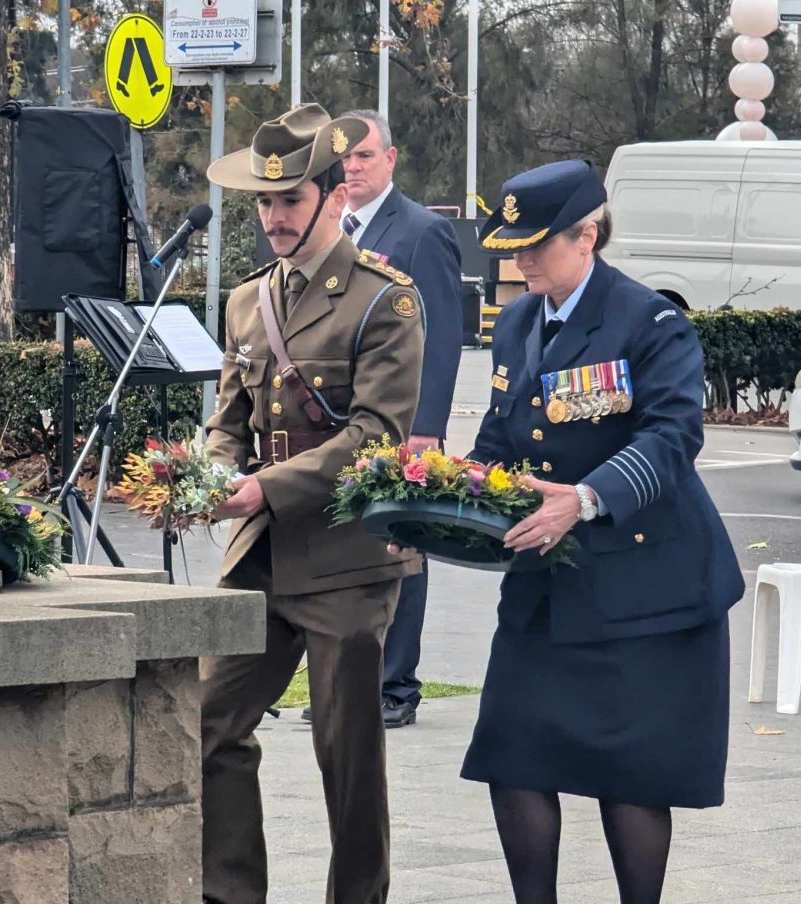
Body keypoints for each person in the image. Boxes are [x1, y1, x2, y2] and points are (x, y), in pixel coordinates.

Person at [455, 160, 745, 903]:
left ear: (588, 234)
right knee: (513, 758)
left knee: (631, 781)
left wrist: (583, 498)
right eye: (511, 246)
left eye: (535, 245)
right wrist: (438, 500)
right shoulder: (519, 320)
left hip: (645, 589)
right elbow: (500, 436)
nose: (518, 261)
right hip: (548, 588)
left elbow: (674, 438)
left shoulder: (649, 321)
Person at [201, 104, 426, 904]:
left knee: (348, 755)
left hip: (347, 560)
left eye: (288, 201)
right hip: (259, 558)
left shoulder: (383, 299)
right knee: (209, 722)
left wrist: (267, 485)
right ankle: (229, 894)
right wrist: (202, 478)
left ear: (333, 196)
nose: (272, 219)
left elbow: (376, 433)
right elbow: (229, 423)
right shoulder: (245, 300)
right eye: (263, 204)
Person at [337, 107, 463, 729]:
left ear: (390, 159)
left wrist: (427, 424)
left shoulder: (419, 230)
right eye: (344, 157)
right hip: (341, 423)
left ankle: (395, 687)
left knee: (402, 547)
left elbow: (441, 334)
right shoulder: (327, 225)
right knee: (344, 548)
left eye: (364, 155)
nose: (352, 167)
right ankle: (349, 684)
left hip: (402, 422)